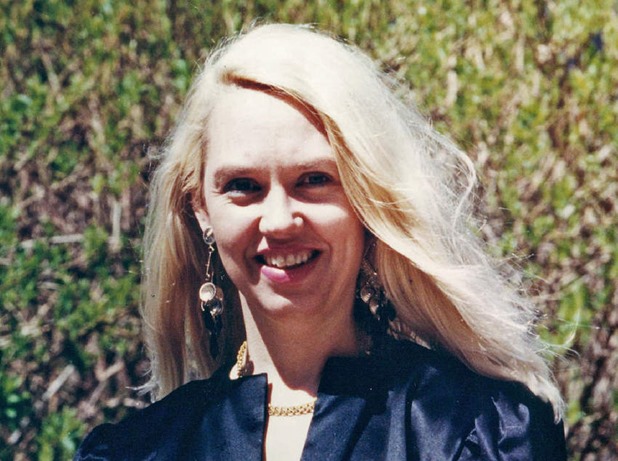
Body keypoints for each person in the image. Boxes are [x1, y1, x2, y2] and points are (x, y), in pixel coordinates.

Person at [75, 23, 566, 460]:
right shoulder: (135, 451)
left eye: (313, 180)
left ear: (367, 200)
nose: (279, 221)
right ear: (200, 208)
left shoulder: (480, 435)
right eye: (243, 186)